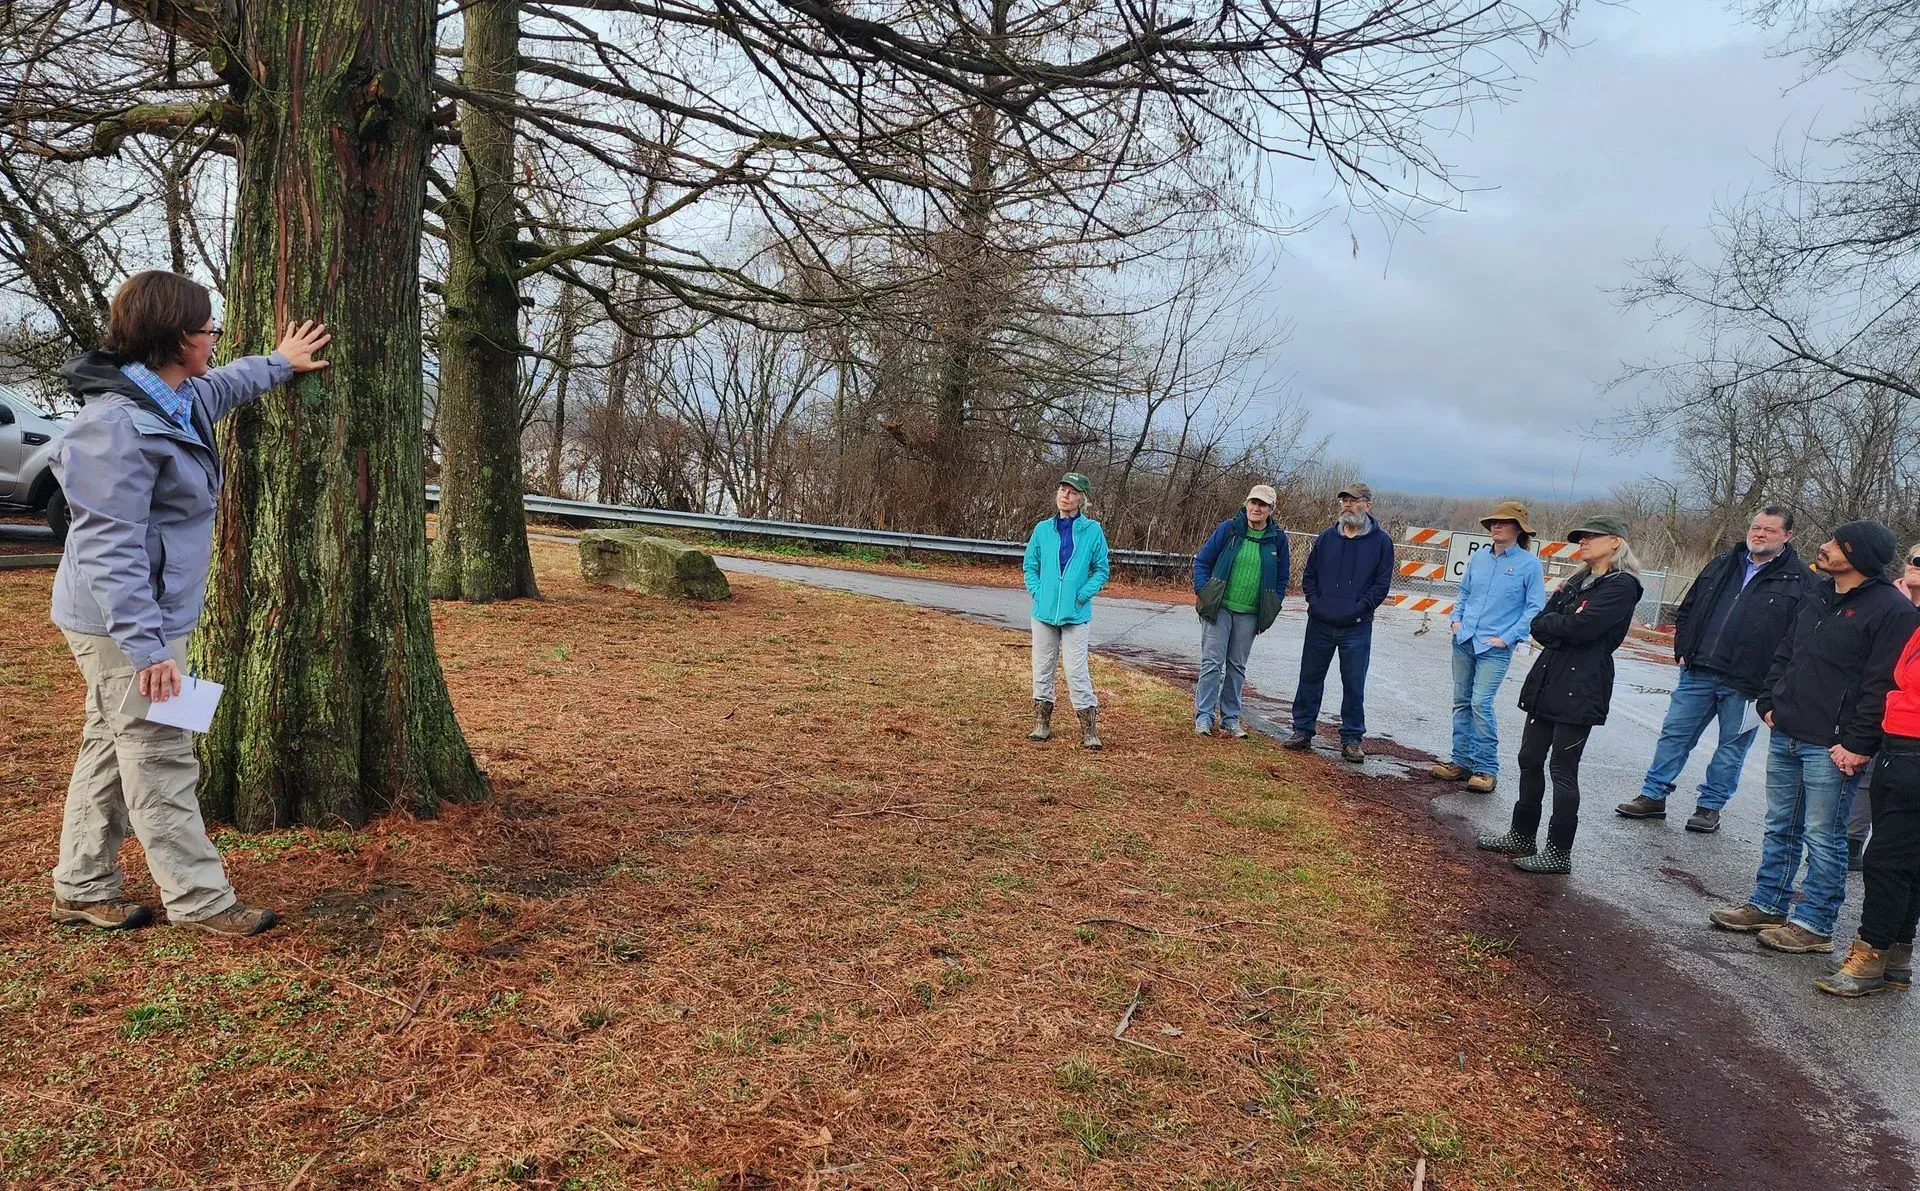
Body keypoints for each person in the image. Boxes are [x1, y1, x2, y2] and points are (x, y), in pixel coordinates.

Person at [49, 270, 331, 937]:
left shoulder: (170, 398)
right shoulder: (112, 427)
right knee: (160, 748)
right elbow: (110, 547)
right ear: (180, 338)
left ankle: (82, 884)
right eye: (209, 329)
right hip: (125, 623)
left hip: (143, 618)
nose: (215, 337)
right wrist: (147, 649)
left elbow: (221, 387)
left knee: (109, 743)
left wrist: (279, 363)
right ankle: (201, 899)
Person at [1710, 521, 1920, 954]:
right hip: (1787, 728)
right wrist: (1769, 701)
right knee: (1779, 826)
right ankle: (1768, 903)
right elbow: (1787, 652)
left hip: (1833, 743)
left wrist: (1859, 742)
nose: (1822, 547)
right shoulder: (1818, 594)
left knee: (1824, 834)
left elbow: (1881, 684)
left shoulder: (1892, 610)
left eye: (1835, 543)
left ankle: (1815, 923)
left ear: (1857, 554)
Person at [1615, 507, 1810, 833]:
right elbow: (1689, 606)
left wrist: (1776, 683)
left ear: (1787, 536)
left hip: (1750, 682)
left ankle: (1709, 808)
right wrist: (1683, 647)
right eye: (1756, 526)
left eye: (1769, 530)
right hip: (1699, 670)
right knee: (1674, 735)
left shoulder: (1801, 580)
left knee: (1731, 749)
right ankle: (1652, 795)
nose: (1759, 534)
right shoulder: (1724, 562)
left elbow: (1799, 638)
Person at [1475, 515, 1643, 874]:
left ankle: (1558, 852)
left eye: (1591, 537)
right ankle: (1521, 835)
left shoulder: (1622, 585)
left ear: (1615, 542)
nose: (1582, 542)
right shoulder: (1576, 581)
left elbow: (1583, 629)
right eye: (1580, 537)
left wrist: (1559, 628)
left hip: (1582, 686)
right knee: (1529, 758)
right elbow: (1540, 623)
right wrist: (1559, 628)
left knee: (1562, 769)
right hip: (1549, 678)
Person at [1818, 607, 1920, 997]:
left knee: (1886, 860)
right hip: (1898, 746)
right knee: (1907, 860)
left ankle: (1870, 953)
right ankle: (1896, 955)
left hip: (1914, 753)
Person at [1430, 500, 1546, 794]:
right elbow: (1465, 592)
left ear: (1518, 529)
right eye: (1493, 522)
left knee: (1481, 704)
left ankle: (1486, 769)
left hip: (1494, 647)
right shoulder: (1480, 558)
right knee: (1461, 701)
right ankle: (1460, 762)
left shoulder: (1528, 565)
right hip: (1464, 640)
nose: (1496, 526)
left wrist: (1508, 637)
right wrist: (1456, 620)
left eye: (1503, 522)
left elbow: (1534, 608)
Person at [1282, 482, 1394, 763]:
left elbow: (1381, 586)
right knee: (1310, 677)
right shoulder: (1326, 537)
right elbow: (1309, 575)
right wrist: (1316, 603)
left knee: (1354, 683)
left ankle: (1352, 738)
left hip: (1356, 626)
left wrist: (1359, 609)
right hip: (1320, 622)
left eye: (1353, 500)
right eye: (1343, 499)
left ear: (1367, 505)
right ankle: (1303, 730)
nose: (1347, 504)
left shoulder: (1381, 542)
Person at [1191, 484, 1291, 738]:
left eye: (1262, 505)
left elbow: (1282, 578)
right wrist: (1204, 590)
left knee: (1236, 666)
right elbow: (1202, 561)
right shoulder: (1229, 529)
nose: (1256, 508)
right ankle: (1203, 717)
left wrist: (1273, 604)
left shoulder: (1278, 539)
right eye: (1253, 503)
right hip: (1219, 608)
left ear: (1271, 509)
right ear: (1246, 504)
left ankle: (1230, 718)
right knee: (1212, 663)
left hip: (1250, 613)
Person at [1023, 472, 1111, 750]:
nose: (1065, 495)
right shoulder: (1042, 529)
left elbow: (1101, 569)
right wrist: (1038, 593)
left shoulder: (1092, 531)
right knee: (1042, 667)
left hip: (1076, 614)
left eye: (1072, 491)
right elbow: (1030, 566)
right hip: (1044, 613)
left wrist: (1082, 594)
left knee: (1076, 671)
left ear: (1081, 498)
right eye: (1062, 489)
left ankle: (1089, 729)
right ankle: (1042, 723)